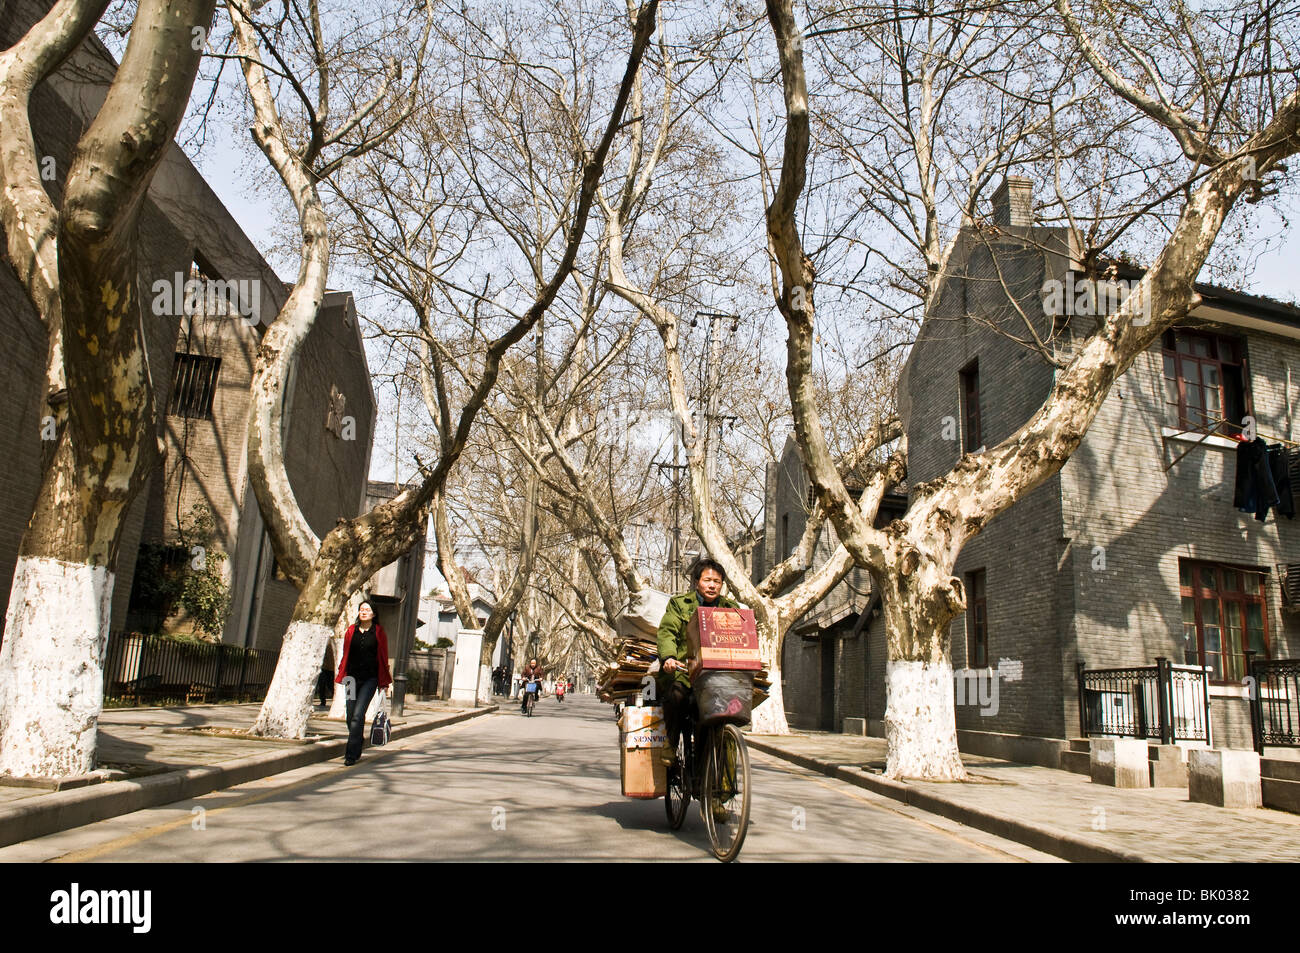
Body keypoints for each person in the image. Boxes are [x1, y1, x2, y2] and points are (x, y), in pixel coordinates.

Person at [656, 557, 739, 767]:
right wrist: (669, 657)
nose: (712, 585)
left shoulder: (731, 608)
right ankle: (671, 742)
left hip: (718, 676)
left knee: (720, 718)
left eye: (717, 581)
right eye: (707, 580)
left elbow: (743, 636)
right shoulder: (679, 604)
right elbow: (667, 632)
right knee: (676, 696)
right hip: (685, 673)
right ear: (696, 582)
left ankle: (714, 782)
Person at [335, 601, 392, 765]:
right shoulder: (351, 631)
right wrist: (342, 672)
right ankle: (357, 740)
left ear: (373, 614)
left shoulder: (379, 632)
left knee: (358, 715)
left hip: (370, 679)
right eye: (361, 609)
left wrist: (384, 683)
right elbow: (346, 654)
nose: (364, 612)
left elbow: (383, 656)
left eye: (367, 610)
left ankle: (351, 754)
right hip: (350, 679)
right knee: (350, 715)